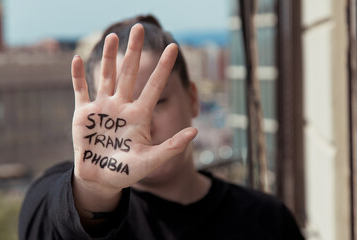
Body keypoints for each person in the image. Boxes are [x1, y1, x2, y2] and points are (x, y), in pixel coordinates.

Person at [19, 15, 305, 240]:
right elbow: (46, 228)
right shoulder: (61, 192)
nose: (142, 127)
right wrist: (94, 191)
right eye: (121, 111)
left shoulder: (267, 219)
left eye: (158, 101)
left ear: (192, 98)